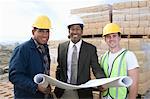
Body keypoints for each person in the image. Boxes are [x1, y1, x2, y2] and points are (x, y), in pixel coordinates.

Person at [53, 15, 105, 99]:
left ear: (82, 31)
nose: (75, 32)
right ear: (69, 31)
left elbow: (96, 68)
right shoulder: (61, 47)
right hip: (65, 91)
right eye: (72, 29)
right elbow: (59, 68)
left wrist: (102, 81)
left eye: (78, 29)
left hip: (83, 92)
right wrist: (59, 85)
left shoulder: (90, 49)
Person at [9, 15, 53, 98]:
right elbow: (14, 76)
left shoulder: (45, 48)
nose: (45, 35)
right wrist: (35, 87)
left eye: (47, 31)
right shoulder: (22, 49)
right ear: (33, 32)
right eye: (41, 31)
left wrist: (46, 85)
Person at [99, 23, 139, 99]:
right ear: (105, 39)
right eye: (108, 37)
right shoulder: (103, 57)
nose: (111, 39)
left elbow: (134, 84)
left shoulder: (128, 55)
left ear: (119, 37)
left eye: (114, 36)